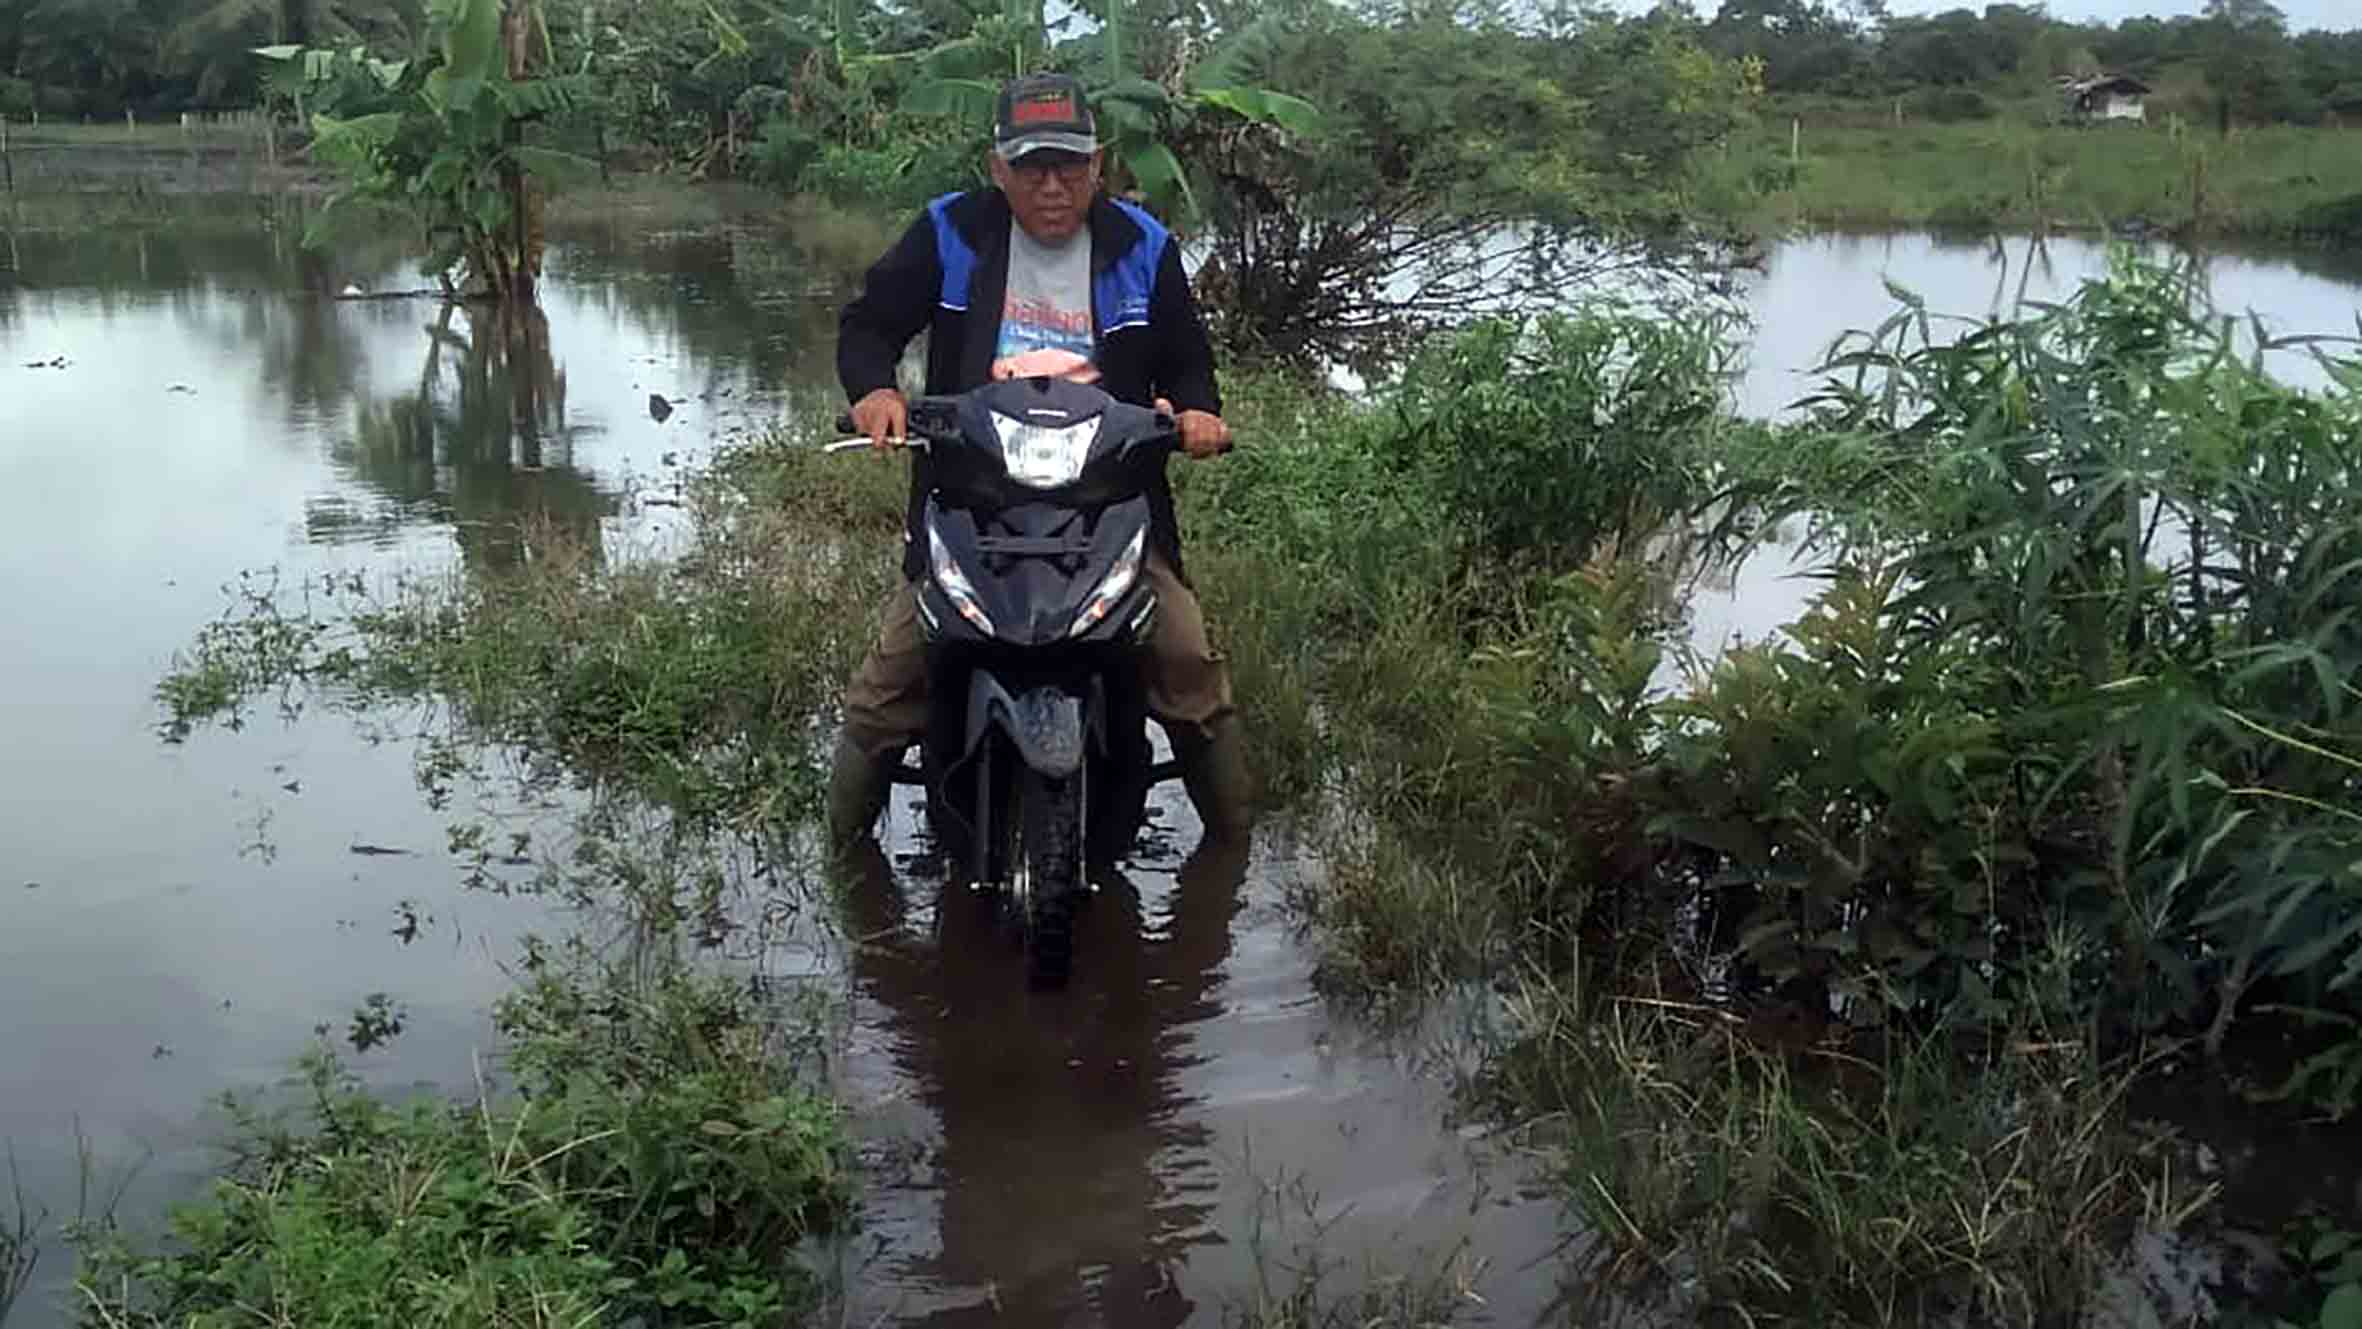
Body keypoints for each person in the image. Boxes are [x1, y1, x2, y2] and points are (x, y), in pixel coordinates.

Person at [827, 71, 1251, 849]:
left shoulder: (1145, 248)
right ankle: (844, 866)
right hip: (971, 496)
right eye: (1031, 167)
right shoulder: (949, 231)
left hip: (1113, 497)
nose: (1052, 185)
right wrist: (875, 391)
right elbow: (869, 324)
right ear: (999, 169)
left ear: (1098, 165)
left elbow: (1190, 363)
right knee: (886, 686)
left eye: (1070, 165)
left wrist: (1196, 413)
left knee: (1187, 659)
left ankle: (1230, 858)